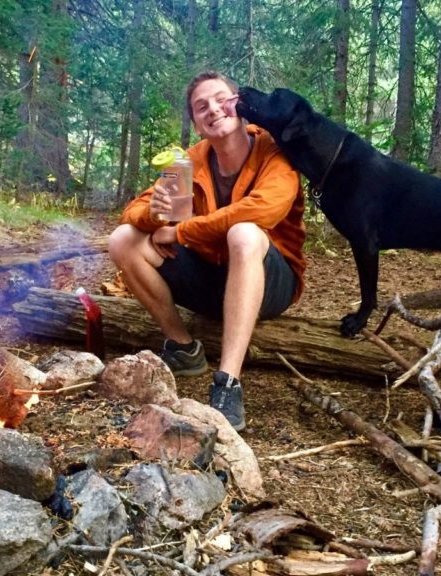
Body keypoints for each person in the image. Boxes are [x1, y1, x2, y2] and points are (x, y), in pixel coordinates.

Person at [108, 70, 306, 431]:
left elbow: (263, 210)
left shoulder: (275, 152)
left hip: (270, 283)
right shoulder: (188, 162)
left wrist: (181, 231)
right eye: (201, 107)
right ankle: (182, 347)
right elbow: (135, 211)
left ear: (240, 104)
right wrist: (155, 217)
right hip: (210, 276)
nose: (213, 109)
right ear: (198, 125)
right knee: (122, 239)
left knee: (245, 233)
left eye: (221, 99)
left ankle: (228, 381)